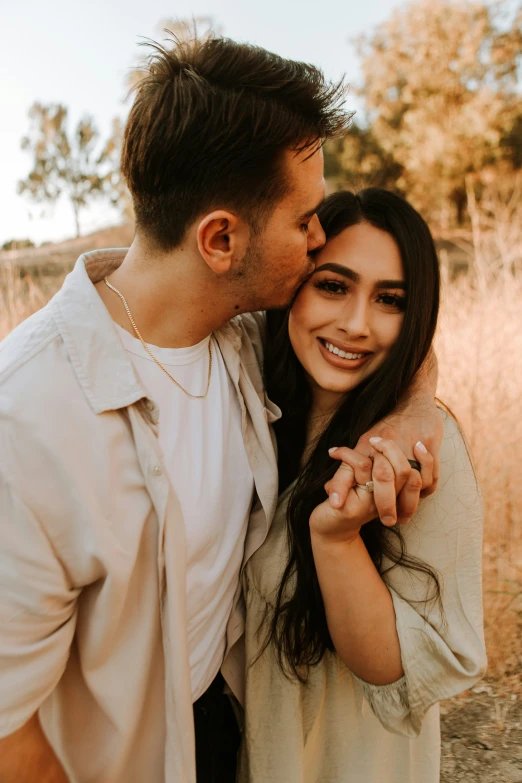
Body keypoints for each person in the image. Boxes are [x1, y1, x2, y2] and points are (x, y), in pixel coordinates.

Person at [0, 38, 442, 783]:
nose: (319, 238)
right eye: (305, 220)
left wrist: (414, 411)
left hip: (222, 720)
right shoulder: (28, 423)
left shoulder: (239, 330)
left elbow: (391, 340)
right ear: (221, 238)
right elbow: (7, 735)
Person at [238, 188, 488, 783]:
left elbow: (392, 668)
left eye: (390, 300)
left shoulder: (420, 457)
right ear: (289, 284)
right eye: (332, 285)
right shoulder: (244, 391)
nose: (355, 324)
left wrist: (336, 541)